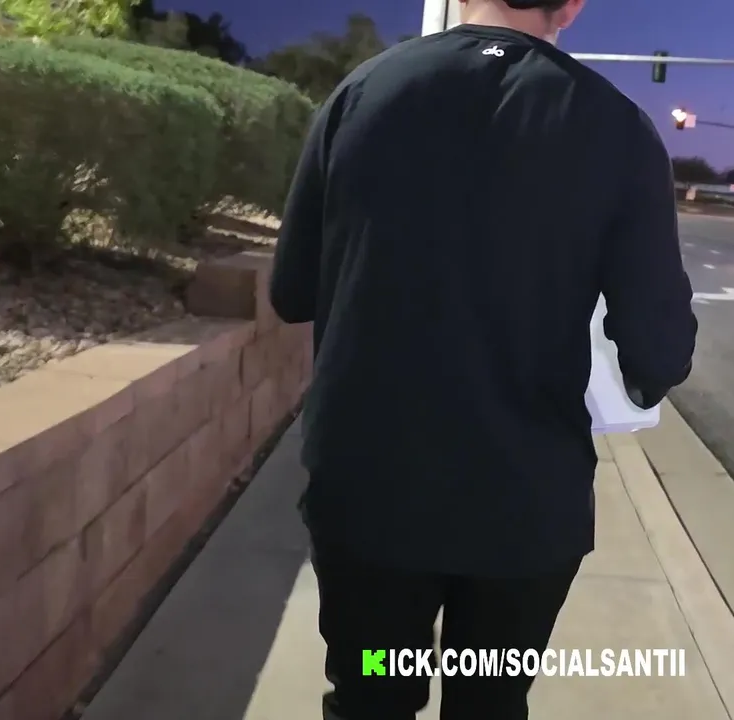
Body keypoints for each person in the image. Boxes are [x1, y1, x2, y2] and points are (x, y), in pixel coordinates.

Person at [268, 0, 697, 717]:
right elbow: (660, 352)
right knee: (491, 700)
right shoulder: (616, 129)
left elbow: (290, 292)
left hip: (370, 495)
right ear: (572, 5)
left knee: (372, 689)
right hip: (521, 513)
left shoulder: (362, 94)